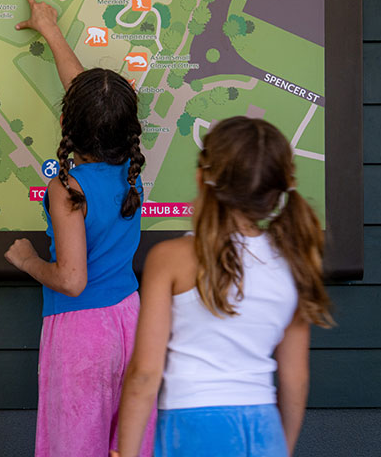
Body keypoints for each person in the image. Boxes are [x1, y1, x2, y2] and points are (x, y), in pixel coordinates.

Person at [110, 116, 333, 457]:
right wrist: (281, 447)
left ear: (202, 178)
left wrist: (125, 454)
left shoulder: (170, 259)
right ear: (277, 191)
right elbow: (295, 379)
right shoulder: (295, 261)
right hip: (263, 429)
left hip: (191, 429)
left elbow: (144, 374)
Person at [4, 0, 156, 457]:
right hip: (129, 322)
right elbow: (89, 101)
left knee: (77, 444)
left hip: (81, 338)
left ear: (71, 123)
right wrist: (50, 30)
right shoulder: (128, 166)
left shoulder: (68, 190)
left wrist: (27, 259)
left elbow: (71, 279)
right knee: (126, 443)